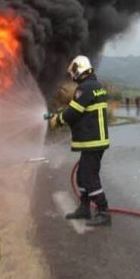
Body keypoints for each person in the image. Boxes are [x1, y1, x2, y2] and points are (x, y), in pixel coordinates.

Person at [50, 55, 111, 226]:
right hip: (94, 141)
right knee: (82, 177)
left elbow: (73, 113)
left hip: (92, 142)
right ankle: (84, 208)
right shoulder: (96, 86)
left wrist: (57, 120)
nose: (72, 77)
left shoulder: (85, 89)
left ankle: (103, 211)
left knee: (89, 177)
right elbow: (81, 110)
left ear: (78, 70)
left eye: (73, 73)